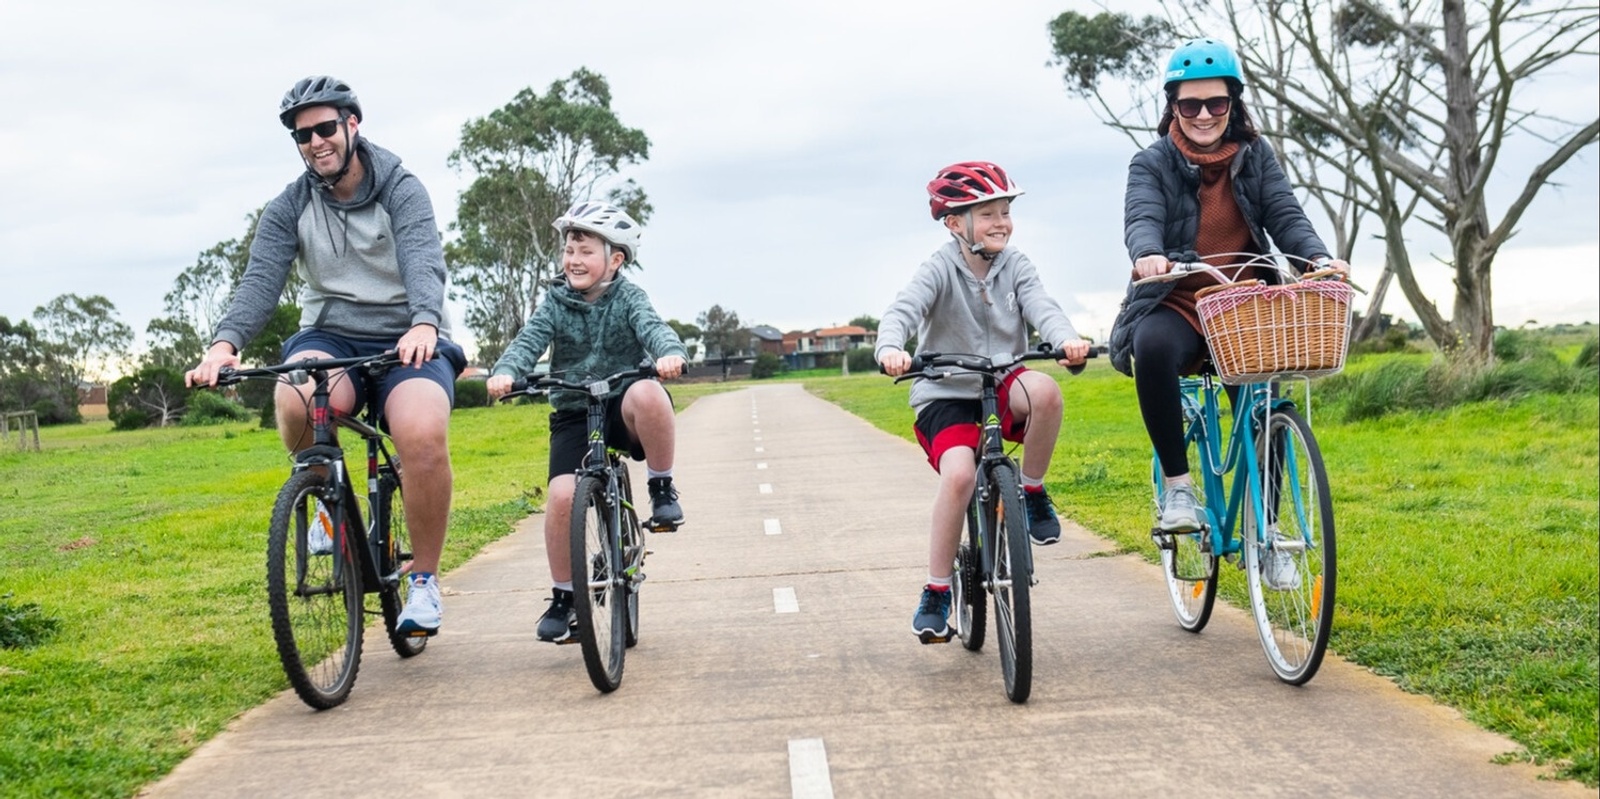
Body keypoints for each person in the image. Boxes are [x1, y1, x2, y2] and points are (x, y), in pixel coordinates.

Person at [187, 75, 466, 636]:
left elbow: (422, 261)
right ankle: (322, 502)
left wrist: (422, 323)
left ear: (351, 125)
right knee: (295, 398)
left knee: (420, 433)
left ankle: (424, 583)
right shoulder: (289, 206)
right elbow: (261, 280)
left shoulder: (400, 187)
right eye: (301, 135)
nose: (315, 142)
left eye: (324, 128)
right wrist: (223, 345)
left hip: (408, 334)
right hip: (331, 334)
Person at [1109, 38, 1349, 576]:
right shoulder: (1151, 163)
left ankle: (1268, 535)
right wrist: (1148, 254)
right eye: (1189, 105)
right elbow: (1142, 217)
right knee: (1152, 347)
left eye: (1215, 103)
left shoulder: (1255, 156)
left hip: (1245, 301)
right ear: (1172, 106)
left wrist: (1317, 259)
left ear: (1233, 104)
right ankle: (1177, 490)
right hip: (1182, 297)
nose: (1202, 115)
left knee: (1266, 404)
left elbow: (1285, 214)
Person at [876, 161, 1091, 644]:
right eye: (988, 213)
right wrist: (891, 349)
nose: (1001, 223)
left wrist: (1067, 340)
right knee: (958, 476)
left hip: (1002, 379)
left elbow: (1043, 307)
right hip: (946, 389)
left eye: (1005, 212)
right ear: (955, 223)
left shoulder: (1017, 266)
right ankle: (936, 591)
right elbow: (902, 310)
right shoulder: (938, 268)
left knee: (1047, 392)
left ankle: (1032, 491)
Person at [485, 200, 687, 644]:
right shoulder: (555, 303)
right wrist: (506, 371)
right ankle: (565, 597)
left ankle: (661, 486)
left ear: (615, 259)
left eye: (585, 251)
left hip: (622, 407)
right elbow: (527, 342)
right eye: (568, 251)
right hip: (576, 411)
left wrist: (670, 354)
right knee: (561, 495)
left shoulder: (630, 297)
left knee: (650, 392)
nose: (574, 260)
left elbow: (655, 330)